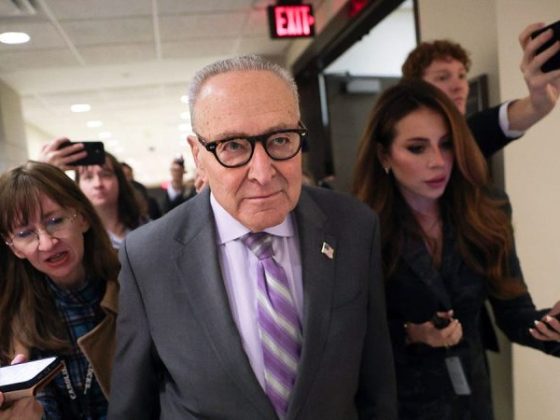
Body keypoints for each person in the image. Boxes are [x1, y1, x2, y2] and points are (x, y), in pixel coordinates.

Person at [108, 55, 397, 419]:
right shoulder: (149, 256)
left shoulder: (353, 227)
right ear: (198, 154)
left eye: (280, 139)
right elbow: (133, 405)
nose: (262, 172)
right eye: (233, 146)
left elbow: (376, 384)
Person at [352, 79, 560, 420]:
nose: (438, 161)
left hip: (470, 401)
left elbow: (515, 315)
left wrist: (552, 324)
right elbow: (351, 335)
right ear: (384, 154)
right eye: (417, 148)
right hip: (396, 403)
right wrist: (412, 333)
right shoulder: (360, 226)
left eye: (447, 144)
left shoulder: (487, 211)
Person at [0, 161, 120, 419]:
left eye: (55, 221)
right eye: (25, 233)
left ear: (83, 218)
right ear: (14, 248)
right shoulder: (14, 316)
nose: (47, 243)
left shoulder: (132, 283)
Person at [401, 22, 560, 158]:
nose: (459, 86)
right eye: (443, 77)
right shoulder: (396, 141)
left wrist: (540, 103)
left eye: (461, 75)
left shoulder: (468, 138)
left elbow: (502, 120)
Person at [39, 139, 147, 248]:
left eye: (106, 175)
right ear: (78, 185)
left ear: (119, 181)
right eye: (88, 177)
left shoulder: (145, 226)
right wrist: (43, 173)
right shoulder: (77, 238)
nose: (98, 184)